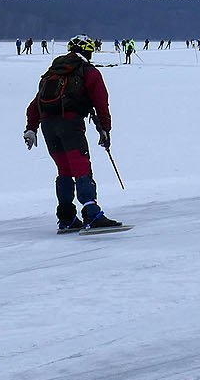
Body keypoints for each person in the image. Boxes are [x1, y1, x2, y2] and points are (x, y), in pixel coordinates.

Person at [24, 34, 126, 233]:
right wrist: (105, 129)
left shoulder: (52, 73)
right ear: (88, 51)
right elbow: (101, 103)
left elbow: (34, 105)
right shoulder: (89, 72)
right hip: (71, 124)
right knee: (81, 167)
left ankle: (67, 217)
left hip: (48, 126)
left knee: (64, 170)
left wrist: (31, 128)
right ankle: (92, 213)